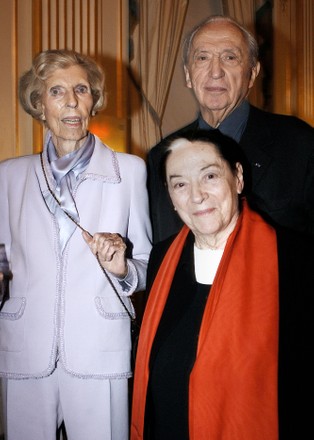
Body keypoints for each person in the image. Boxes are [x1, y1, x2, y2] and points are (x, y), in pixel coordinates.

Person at [0, 49, 152, 440]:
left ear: (94, 101)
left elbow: (147, 266)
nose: (70, 101)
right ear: (39, 104)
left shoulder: (130, 171)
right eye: (56, 91)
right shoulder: (9, 176)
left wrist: (123, 269)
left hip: (99, 349)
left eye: (81, 90)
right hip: (25, 348)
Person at [131, 130, 314, 440]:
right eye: (180, 184)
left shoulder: (296, 259)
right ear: (170, 197)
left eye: (210, 176)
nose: (196, 195)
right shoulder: (162, 258)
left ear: (238, 178)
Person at [148, 14, 314, 244]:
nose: (215, 71)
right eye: (203, 58)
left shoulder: (298, 143)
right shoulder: (161, 156)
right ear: (188, 74)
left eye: (230, 57)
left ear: (252, 74)